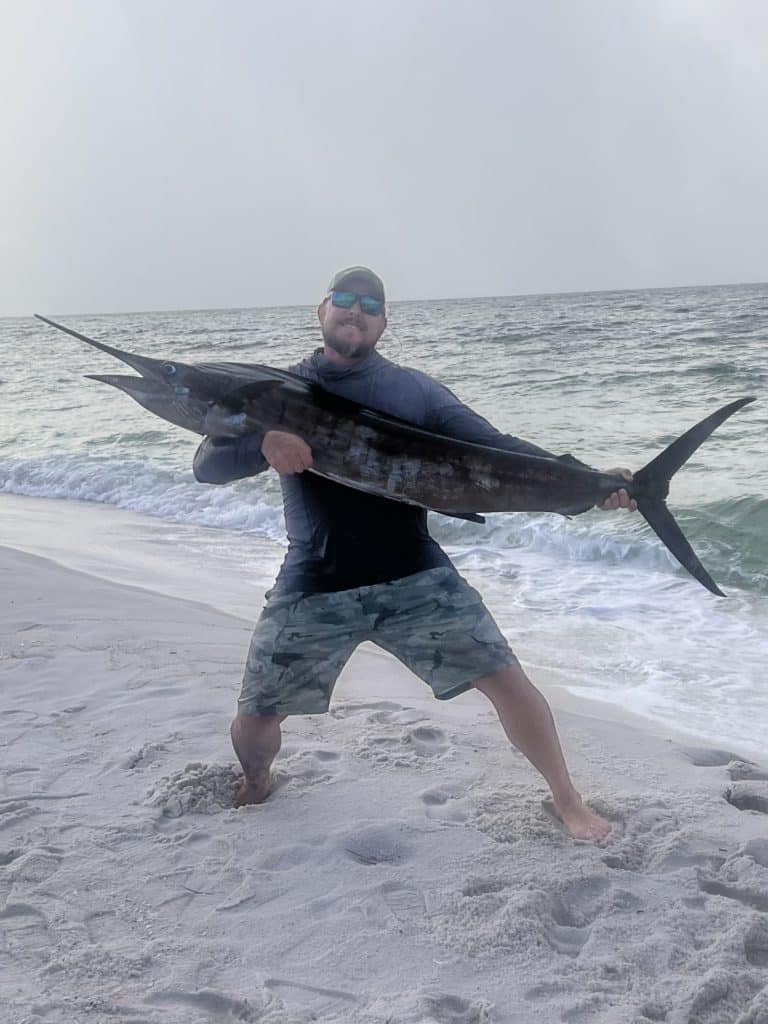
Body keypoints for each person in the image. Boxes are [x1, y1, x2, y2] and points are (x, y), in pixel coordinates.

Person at [193, 266, 637, 841]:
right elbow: (206, 466)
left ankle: (568, 800)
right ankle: (257, 782)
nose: (356, 311)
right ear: (321, 311)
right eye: (345, 300)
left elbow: (494, 448)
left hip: (413, 572)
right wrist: (261, 443)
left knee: (508, 682)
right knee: (255, 719)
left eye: (370, 305)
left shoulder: (414, 391)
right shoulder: (274, 392)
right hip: (314, 577)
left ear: (382, 322)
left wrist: (589, 483)